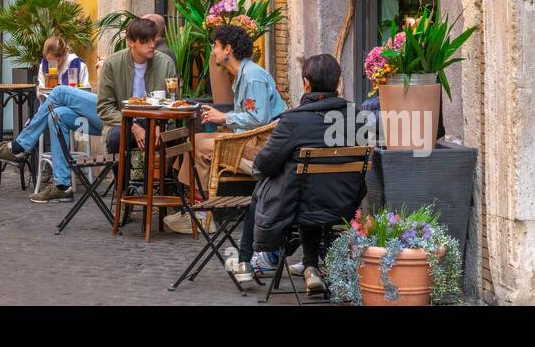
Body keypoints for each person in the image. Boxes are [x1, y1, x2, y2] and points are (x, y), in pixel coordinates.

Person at [245, 53, 367, 293]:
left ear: (306, 83)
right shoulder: (359, 119)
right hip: (345, 206)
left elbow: (262, 166)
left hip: (298, 207)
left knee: (284, 189)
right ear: (338, 83)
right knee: (312, 189)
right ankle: (311, 265)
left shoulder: (293, 122)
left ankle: (250, 260)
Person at [166, 23, 286, 234]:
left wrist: (223, 117)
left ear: (228, 49)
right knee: (192, 139)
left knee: (199, 146)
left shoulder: (252, 76)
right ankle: (193, 207)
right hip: (249, 138)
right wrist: (220, 118)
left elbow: (260, 118)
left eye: (216, 46)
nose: (213, 51)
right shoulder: (243, 74)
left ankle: (205, 215)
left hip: (263, 146)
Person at [0, 37, 94, 204]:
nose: (52, 63)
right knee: (55, 114)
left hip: (77, 114)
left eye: (55, 60)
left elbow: (86, 92)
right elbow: (41, 93)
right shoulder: (44, 65)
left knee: (59, 95)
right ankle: (62, 186)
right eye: (49, 60)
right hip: (53, 112)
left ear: (63, 56)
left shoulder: (77, 65)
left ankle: (18, 147)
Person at [96, 17, 177, 155]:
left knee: (176, 136)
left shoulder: (166, 63)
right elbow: (105, 108)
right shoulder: (112, 64)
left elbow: (173, 101)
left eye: (153, 39)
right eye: (145, 41)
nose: (152, 45)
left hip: (157, 119)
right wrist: (132, 126)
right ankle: (121, 177)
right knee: (116, 138)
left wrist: (160, 125)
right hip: (125, 121)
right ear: (131, 42)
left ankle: (166, 176)